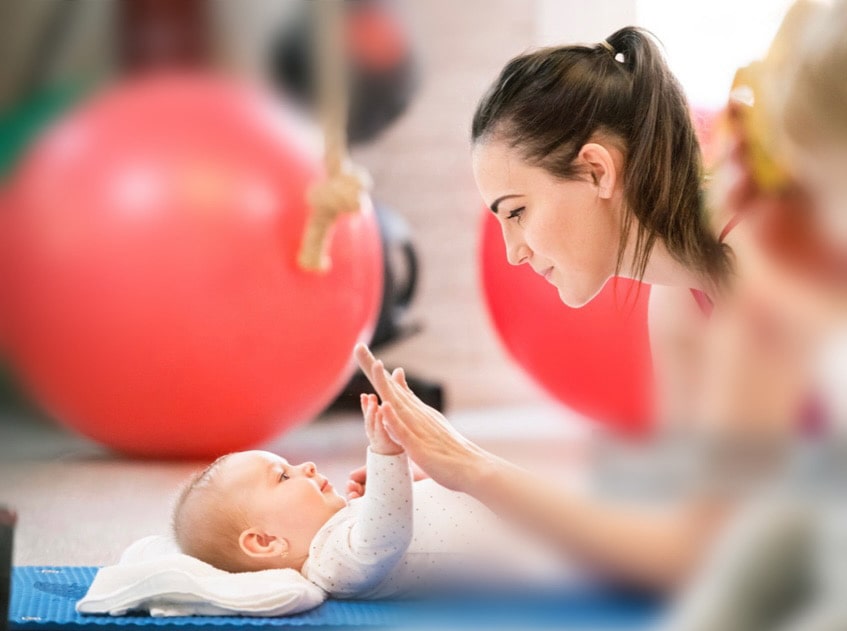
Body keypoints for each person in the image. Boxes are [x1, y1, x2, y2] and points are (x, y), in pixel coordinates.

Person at [348, 21, 844, 592]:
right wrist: (456, 482)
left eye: (516, 211)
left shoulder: (759, 249)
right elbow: (686, 541)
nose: (512, 253)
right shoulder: (679, 309)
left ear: (596, 170)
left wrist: (473, 469)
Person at [172, 393, 569, 598]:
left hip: (529, 517)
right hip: (541, 559)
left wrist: (405, 484)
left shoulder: (343, 530)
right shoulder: (331, 565)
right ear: (265, 542)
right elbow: (385, 538)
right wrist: (385, 457)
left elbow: (403, 519)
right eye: (283, 476)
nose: (306, 467)